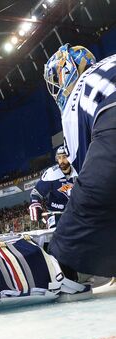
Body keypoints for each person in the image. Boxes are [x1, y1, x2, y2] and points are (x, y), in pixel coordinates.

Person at [43, 44, 116, 278]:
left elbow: (88, 172)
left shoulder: (76, 95)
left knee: (73, 227)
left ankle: (62, 277)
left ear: (67, 71)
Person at [28, 146, 78, 229]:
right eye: (59, 158)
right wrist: (35, 204)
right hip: (56, 213)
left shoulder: (79, 170)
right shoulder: (52, 173)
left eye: (64, 157)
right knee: (56, 237)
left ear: (69, 157)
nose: (62, 160)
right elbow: (36, 192)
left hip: (76, 212)